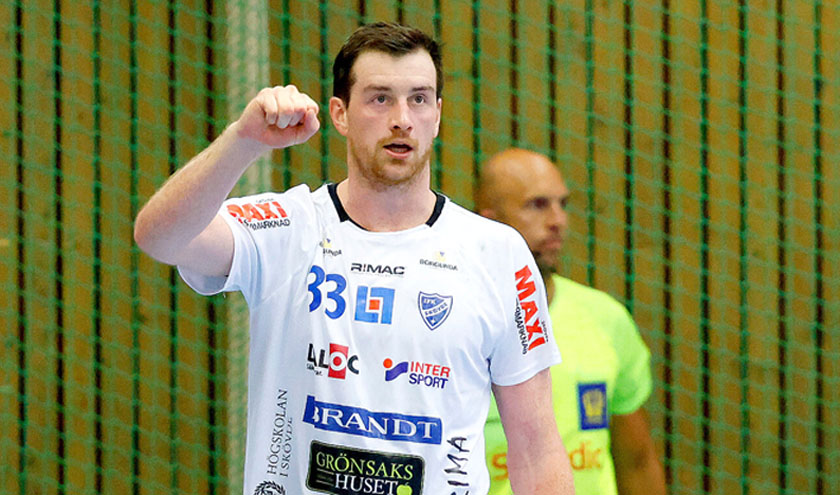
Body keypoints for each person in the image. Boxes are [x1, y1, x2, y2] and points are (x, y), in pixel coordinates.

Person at [134, 23, 574, 495]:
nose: (402, 119)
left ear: (438, 115)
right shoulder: (286, 228)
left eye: (419, 99)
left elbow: (537, 450)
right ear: (340, 114)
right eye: (380, 99)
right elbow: (160, 238)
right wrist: (244, 139)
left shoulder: (498, 254)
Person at [477, 148, 666, 495]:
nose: (558, 220)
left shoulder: (605, 318)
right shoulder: (460, 323)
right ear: (489, 222)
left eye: (562, 204)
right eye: (537, 205)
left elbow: (637, 461)